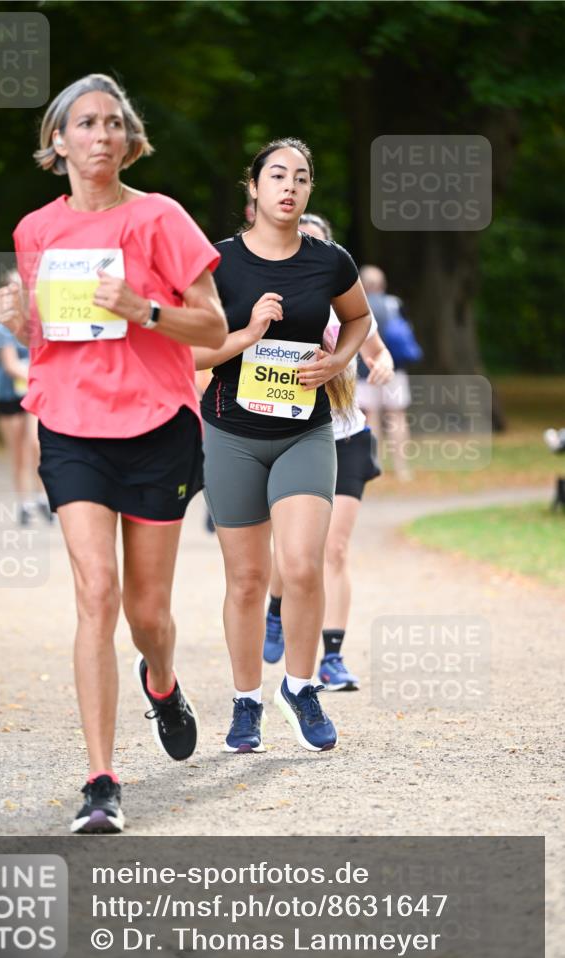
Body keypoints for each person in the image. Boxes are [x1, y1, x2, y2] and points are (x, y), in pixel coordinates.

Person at [0, 73, 227, 833]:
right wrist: (18, 315)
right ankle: (100, 780)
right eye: (85, 124)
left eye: (113, 123)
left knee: (146, 611)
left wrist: (144, 310)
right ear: (57, 141)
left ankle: (161, 681)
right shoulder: (36, 230)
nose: (101, 135)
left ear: (128, 139)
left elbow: (213, 329)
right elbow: (48, 338)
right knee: (95, 592)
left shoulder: (159, 218)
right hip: (70, 425)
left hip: (158, 426)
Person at [194, 139, 372, 754]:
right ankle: (246, 704)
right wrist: (247, 334)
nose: (288, 186)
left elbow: (358, 320)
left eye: (300, 177)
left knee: (300, 564)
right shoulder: (215, 265)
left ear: (309, 191)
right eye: (276, 175)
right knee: (246, 579)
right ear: (253, 187)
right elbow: (189, 352)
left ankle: (300, 688)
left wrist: (338, 362)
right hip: (231, 432)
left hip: (304, 430)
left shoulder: (330, 262)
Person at [263, 216, 394, 691]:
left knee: (333, 549)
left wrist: (381, 365)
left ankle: (332, 658)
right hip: (294, 436)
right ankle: (276, 608)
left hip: (348, 435)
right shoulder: (271, 304)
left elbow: (378, 350)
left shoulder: (348, 306)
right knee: (294, 551)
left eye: (317, 244)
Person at [0, 272, 51, 526]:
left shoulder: (44, 317)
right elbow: (10, 364)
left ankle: (42, 497)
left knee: (36, 446)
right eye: (12, 286)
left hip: (35, 391)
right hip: (9, 392)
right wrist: (41, 375)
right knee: (18, 450)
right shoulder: (1, 322)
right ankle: (24, 502)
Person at [356, 265, 419, 481]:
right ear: (382, 285)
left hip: (366, 371)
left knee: (370, 416)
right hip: (394, 370)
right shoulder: (394, 303)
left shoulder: (356, 305)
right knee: (397, 416)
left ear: (362, 285)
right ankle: (402, 469)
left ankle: (375, 466)